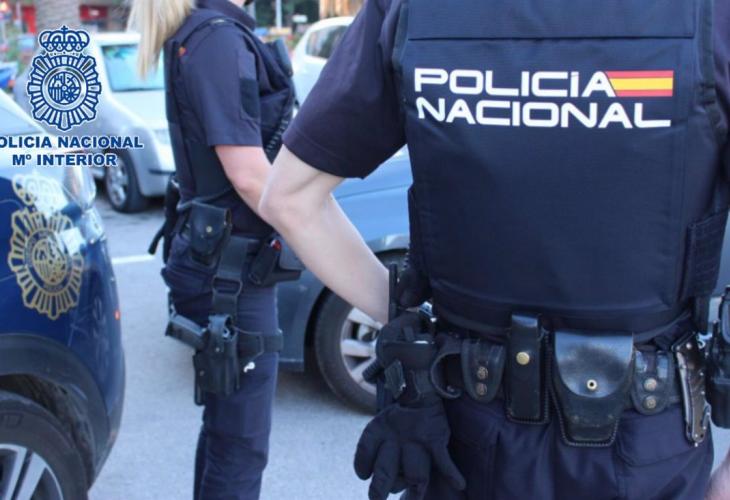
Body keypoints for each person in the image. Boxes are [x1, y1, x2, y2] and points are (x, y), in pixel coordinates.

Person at [260, 0, 730, 498]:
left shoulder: (410, 11)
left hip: (466, 435)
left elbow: (290, 198)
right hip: (647, 445)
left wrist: (409, 323)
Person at [129, 0, 296, 498]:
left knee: (228, 435)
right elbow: (248, 175)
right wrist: (315, 232)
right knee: (241, 444)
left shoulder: (202, 31)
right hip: (232, 272)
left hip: (223, 262)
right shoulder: (217, 38)